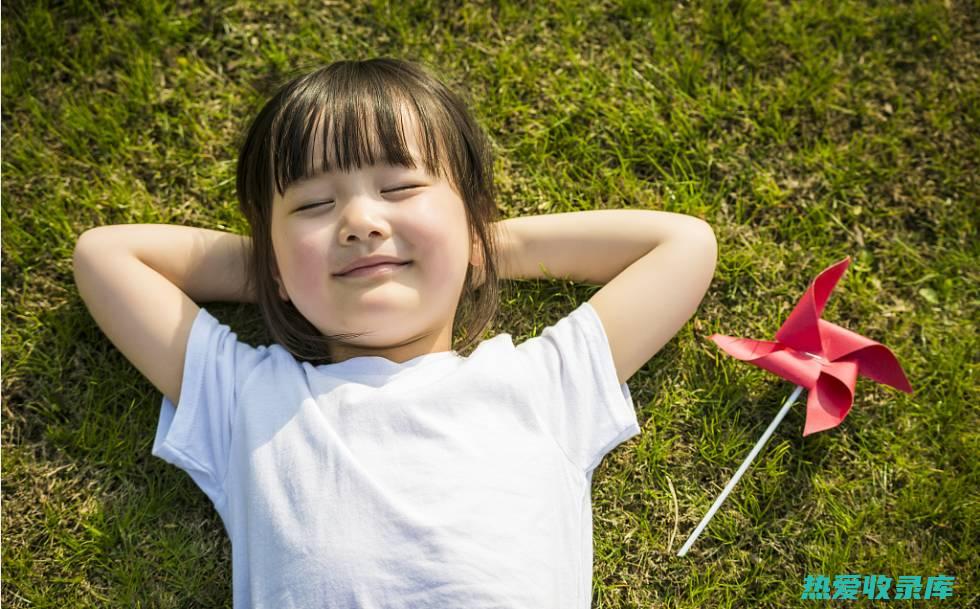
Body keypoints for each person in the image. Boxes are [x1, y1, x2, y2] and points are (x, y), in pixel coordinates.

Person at [72, 57, 718, 608]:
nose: (358, 221)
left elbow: (681, 245)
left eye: (402, 187)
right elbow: (106, 256)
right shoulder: (250, 401)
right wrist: (280, 273)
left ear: (473, 227)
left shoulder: (542, 385)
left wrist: (480, 247)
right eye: (314, 206)